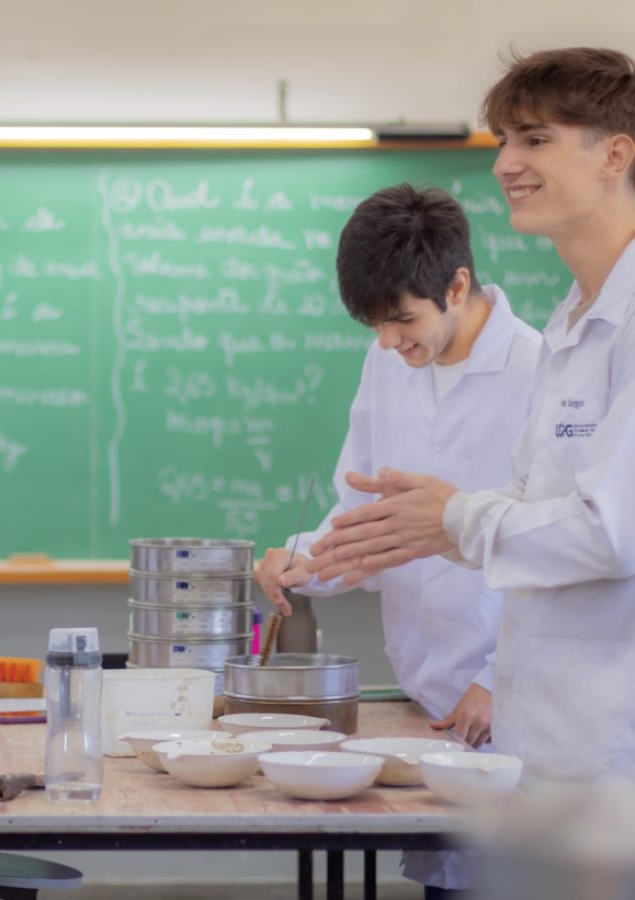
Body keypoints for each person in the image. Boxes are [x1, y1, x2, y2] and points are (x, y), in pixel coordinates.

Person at [307, 48, 635, 784]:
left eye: (535, 139)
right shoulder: (573, 324)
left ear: (616, 153)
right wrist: (430, 524)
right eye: (503, 141)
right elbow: (529, 506)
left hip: (612, 754)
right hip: (545, 742)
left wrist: (452, 520)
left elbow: (612, 534)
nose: (506, 164)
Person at [256, 184, 541, 897]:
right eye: (374, 325)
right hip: (432, 705)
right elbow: (360, 508)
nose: (388, 341)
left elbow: (565, 549)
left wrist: (504, 678)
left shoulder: (541, 372)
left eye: (403, 320)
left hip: (517, 703)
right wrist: (303, 559)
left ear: (457, 284)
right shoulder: (388, 361)